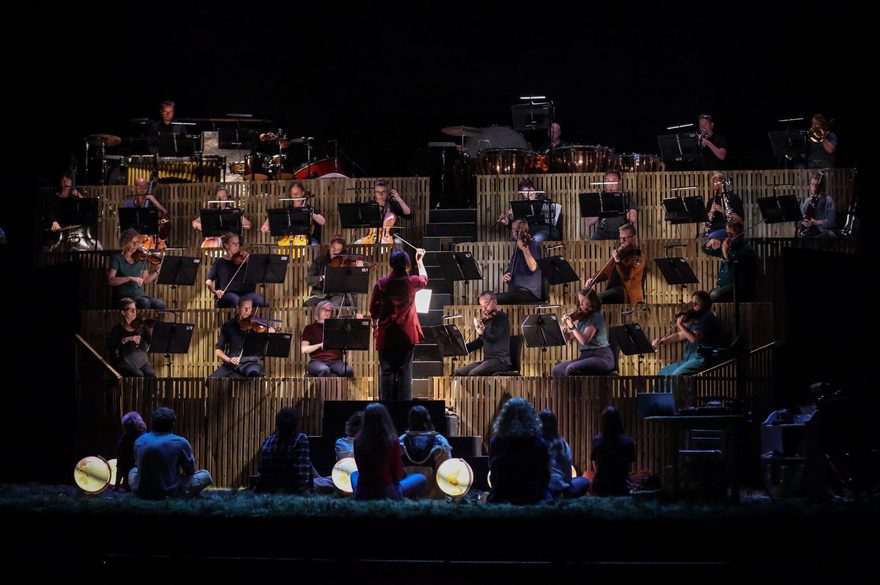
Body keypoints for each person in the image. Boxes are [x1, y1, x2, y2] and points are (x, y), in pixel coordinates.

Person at [369, 247, 428, 400]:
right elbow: (424, 279)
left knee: (386, 372)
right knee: (405, 372)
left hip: (387, 334)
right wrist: (420, 262)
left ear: (391, 264)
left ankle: (386, 410)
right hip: (407, 334)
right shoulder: (411, 282)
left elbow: (374, 309)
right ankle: (404, 410)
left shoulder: (382, 283)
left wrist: (375, 326)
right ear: (407, 264)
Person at [129, 407, 213, 499]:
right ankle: (182, 494)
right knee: (205, 475)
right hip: (169, 492)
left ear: (152, 422)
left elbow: (139, 466)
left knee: (132, 471)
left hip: (143, 492)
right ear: (172, 424)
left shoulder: (139, 441)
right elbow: (190, 470)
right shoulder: (180, 442)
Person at [352, 403, 427, 500]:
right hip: (387, 492)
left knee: (354, 474)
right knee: (420, 478)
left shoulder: (357, 441)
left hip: (363, 492)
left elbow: (361, 469)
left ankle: (357, 493)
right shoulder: (392, 441)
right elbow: (396, 473)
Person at [487, 397, 551, 505]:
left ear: (504, 418)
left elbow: (493, 476)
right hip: (534, 498)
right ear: (530, 417)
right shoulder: (539, 443)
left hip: (503, 498)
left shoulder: (497, 442)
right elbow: (545, 477)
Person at [652, 290, 726, 376]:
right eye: (693, 303)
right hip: (688, 359)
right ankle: (660, 390)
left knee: (676, 377)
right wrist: (663, 341)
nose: (693, 306)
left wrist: (680, 324)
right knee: (662, 373)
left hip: (700, 359)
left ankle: (678, 390)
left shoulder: (707, 318)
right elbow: (680, 335)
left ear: (705, 304)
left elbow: (694, 338)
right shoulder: (695, 318)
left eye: (696, 304)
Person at [552, 289, 615, 376]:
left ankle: (576, 390)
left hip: (602, 357)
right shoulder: (583, 318)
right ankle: (563, 390)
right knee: (557, 370)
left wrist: (572, 326)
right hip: (585, 356)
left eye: (583, 301)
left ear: (592, 301)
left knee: (571, 369)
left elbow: (584, 340)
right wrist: (563, 332)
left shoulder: (596, 316)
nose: (580, 304)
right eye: (579, 301)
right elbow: (570, 337)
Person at [209, 298, 275, 378]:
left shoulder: (257, 326)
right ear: (237, 308)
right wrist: (229, 359)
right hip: (231, 365)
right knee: (210, 381)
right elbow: (218, 351)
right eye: (244, 307)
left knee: (253, 375)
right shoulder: (228, 326)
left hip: (251, 364)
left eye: (249, 308)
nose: (247, 310)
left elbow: (267, 346)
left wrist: (271, 334)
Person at [454, 291, 512, 376]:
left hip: (500, 361)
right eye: (482, 305)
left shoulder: (501, 317)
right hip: (488, 361)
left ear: (494, 302)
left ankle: (485, 390)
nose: (484, 308)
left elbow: (493, 338)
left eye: (486, 304)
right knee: (459, 372)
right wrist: (462, 348)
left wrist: (482, 333)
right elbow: (480, 341)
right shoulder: (487, 321)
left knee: (474, 373)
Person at [256, 407, 312, 495]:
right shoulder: (300, 439)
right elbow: (302, 477)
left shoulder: (268, 441)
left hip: (268, 493)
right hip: (291, 495)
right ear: (296, 425)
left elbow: (262, 473)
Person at [586, 223, 645, 304]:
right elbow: (606, 271)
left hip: (627, 293)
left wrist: (618, 260)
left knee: (596, 299)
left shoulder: (638, 256)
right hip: (614, 291)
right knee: (588, 299)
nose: (621, 242)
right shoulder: (621, 253)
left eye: (624, 239)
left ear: (633, 238)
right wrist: (593, 279)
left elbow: (627, 276)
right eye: (620, 238)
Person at [205, 232, 268, 308]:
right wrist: (215, 291)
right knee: (238, 302)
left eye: (238, 243)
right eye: (234, 243)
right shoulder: (220, 262)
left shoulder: (244, 259)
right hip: (227, 294)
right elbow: (209, 281)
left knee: (263, 302)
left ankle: (253, 320)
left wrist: (249, 260)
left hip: (247, 293)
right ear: (226, 245)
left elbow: (257, 273)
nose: (237, 246)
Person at [107, 228, 166, 309]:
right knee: (144, 302)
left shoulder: (141, 259)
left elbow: (146, 279)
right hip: (123, 297)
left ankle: (156, 322)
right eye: (133, 242)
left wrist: (157, 271)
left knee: (160, 304)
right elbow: (110, 280)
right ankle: (140, 322)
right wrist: (129, 278)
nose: (136, 245)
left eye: (137, 242)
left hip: (140, 296)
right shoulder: (117, 259)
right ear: (125, 243)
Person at [539, 409, 589, 499]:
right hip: (560, 489)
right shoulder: (562, 444)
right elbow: (568, 477)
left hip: (541, 490)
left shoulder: (535, 443)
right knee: (584, 481)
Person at [702, 221, 757, 302]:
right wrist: (710, 242)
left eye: (732, 233)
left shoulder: (746, 250)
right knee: (703, 297)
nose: (729, 236)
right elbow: (705, 249)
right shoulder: (729, 246)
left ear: (740, 234)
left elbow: (734, 265)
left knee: (714, 295)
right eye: (727, 233)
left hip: (738, 288)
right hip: (723, 287)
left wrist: (725, 252)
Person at [260, 182, 325, 245]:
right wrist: (266, 225)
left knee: (314, 244)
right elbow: (275, 218)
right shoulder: (289, 210)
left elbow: (322, 221)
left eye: (297, 193)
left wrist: (310, 213)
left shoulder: (310, 208)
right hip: (290, 239)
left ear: (302, 193)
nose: (295, 196)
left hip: (308, 239)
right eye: (293, 194)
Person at [590, 406, 636, 496]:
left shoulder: (596, 440)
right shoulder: (628, 441)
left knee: (586, 475)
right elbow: (629, 466)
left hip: (601, 486)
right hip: (621, 485)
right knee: (643, 474)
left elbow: (595, 464)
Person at [301, 300, 354, 377]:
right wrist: (320, 345)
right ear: (318, 311)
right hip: (316, 361)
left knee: (348, 371)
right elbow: (304, 349)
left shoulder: (337, 327)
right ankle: (323, 387)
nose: (327, 312)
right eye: (324, 310)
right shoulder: (310, 328)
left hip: (336, 362)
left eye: (329, 310)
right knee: (324, 370)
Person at [304, 235, 361, 307]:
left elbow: (353, 282)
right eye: (333, 248)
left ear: (341, 251)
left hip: (337, 295)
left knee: (332, 306)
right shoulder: (320, 260)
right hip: (320, 295)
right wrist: (322, 277)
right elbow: (309, 280)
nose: (334, 251)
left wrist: (358, 269)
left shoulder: (345, 262)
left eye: (338, 250)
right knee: (307, 304)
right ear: (329, 246)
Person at [496, 179, 561, 242]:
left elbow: (549, 219)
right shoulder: (523, 205)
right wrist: (508, 222)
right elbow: (520, 226)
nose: (529, 193)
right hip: (530, 233)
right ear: (522, 194)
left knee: (534, 240)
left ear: (534, 189)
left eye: (530, 189)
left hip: (548, 231)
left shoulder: (544, 200)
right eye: (525, 191)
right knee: (514, 241)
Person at [496, 219, 544, 304]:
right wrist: (506, 275)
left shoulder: (532, 244)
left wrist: (525, 250)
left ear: (525, 230)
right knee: (488, 298)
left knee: (494, 299)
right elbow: (511, 267)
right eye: (513, 229)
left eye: (516, 229)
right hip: (516, 291)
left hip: (529, 291)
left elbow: (533, 267)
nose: (514, 232)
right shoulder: (518, 245)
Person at [107, 297, 157, 377]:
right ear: (123, 312)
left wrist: (153, 331)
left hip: (142, 363)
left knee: (151, 373)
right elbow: (111, 346)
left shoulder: (142, 327)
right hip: (125, 363)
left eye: (135, 309)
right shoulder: (118, 329)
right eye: (131, 310)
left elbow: (151, 342)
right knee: (138, 374)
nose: (134, 312)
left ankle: (151, 390)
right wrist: (126, 339)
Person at [354, 180, 412, 244]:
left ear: (388, 192)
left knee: (398, 243)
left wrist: (399, 199)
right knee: (357, 243)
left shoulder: (393, 205)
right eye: (378, 192)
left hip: (391, 235)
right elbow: (361, 219)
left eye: (383, 192)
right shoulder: (370, 204)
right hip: (372, 236)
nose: (380, 194)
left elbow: (408, 215)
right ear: (375, 193)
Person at [586, 170, 637, 240]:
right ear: (604, 183)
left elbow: (633, 218)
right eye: (608, 181)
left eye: (614, 181)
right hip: (602, 233)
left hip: (621, 232)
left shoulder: (626, 196)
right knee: (590, 245)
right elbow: (589, 222)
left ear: (619, 183)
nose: (610, 184)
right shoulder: (599, 197)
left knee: (627, 244)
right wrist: (600, 210)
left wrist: (629, 213)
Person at [704, 172, 744, 241]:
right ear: (712, 186)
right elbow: (707, 225)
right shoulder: (711, 202)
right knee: (704, 238)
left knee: (710, 238)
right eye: (714, 183)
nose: (717, 185)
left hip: (730, 230)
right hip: (714, 230)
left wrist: (722, 209)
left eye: (719, 182)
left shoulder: (733, 198)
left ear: (724, 184)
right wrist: (709, 216)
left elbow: (740, 219)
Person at [796, 171, 836, 238]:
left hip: (823, 232)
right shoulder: (808, 201)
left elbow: (831, 222)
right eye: (812, 184)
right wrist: (801, 224)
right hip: (808, 232)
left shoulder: (829, 200)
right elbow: (800, 218)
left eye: (817, 185)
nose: (814, 187)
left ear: (821, 186)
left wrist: (815, 222)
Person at [115, 411, 147, 491]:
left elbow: (120, 468)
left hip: (128, 485)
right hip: (147, 484)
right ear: (140, 424)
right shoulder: (147, 439)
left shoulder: (122, 442)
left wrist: (116, 488)